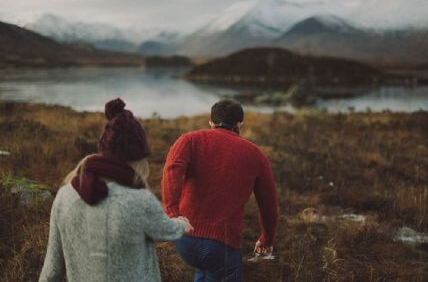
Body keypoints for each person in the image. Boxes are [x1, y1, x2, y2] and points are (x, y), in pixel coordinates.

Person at [39, 98, 193, 282]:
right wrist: (182, 224)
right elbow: (166, 230)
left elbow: (52, 271)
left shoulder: (65, 197)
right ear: (138, 158)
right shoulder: (138, 200)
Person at [161, 99, 279, 281]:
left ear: (211, 122)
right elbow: (269, 205)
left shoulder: (189, 139)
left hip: (185, 239)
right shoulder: (256, 154)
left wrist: (172, 213)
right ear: (240, 124)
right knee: (215, 266)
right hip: (222, 244)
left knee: (205, 269)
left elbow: (172, 170)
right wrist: (266, 239)